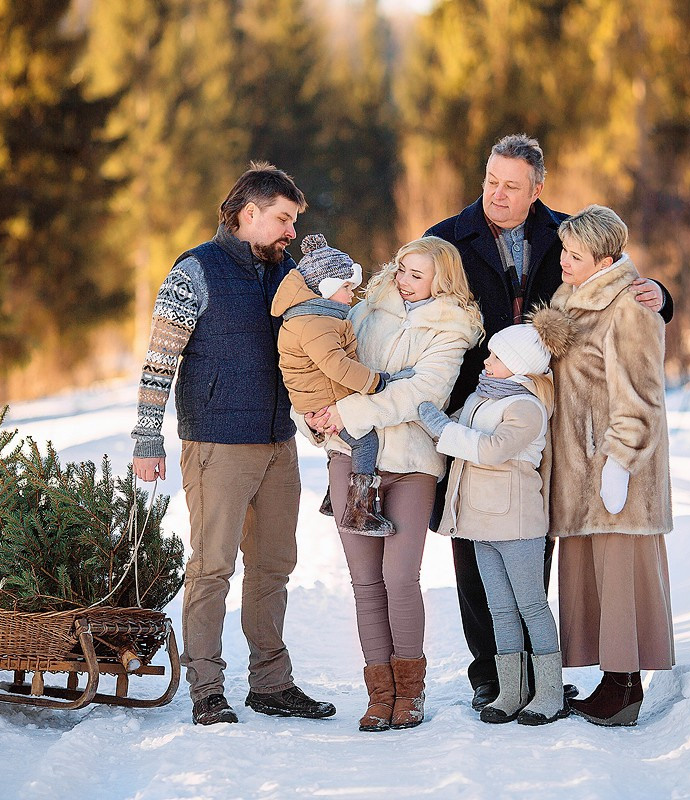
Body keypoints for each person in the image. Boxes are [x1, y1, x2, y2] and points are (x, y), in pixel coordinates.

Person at [425, 133, 675, 709]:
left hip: (542, 422)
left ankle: (540, 671)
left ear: (538, 190)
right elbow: (408, 293)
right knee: (473, 547)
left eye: (512, 186)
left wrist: (659, 294)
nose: (497, 194)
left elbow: (618, 293)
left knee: (530, 542)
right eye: (490, 181)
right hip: (472, 404)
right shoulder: (447, 239)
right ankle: (490, 671)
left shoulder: (567, 236)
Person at [130, 162, 336, 725]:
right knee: (212, 569)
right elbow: (158, 363)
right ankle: (207, 689)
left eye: (293, 221)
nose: (290, 230)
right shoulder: (194, 270)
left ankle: (271, 684)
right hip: (217, 443)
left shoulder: (284, 271)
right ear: (249, 213)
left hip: (278, 443)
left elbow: (311, 350)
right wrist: (147, 438)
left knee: (273, 568)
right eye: (283, 219)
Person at [305, 237, 483, 732]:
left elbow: (421, 393)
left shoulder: (452, 329)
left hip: (411, 462)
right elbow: (325, 370)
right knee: (365, 583)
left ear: (441, 281)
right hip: (350, 459)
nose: (403, 280)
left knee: (399, 579)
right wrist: (317, 419)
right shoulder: (366, 311)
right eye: (402, 269)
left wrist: (349, 411)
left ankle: (410, 691)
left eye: (417, 274)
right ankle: (379, 693)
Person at [416, 309, 576, 726]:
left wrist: (440, 428)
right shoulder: (481, 396)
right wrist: (437, 421)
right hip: (478, 521)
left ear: (519, 365)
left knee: (531, 606)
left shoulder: (527, 407)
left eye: (495, 357)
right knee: (499, 610)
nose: (486, 362)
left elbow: (489, 450)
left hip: (516, 522)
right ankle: (512, 690)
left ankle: (550, 692)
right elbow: (457, 430)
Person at [548, 204, 674, 726]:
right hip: (580, 468)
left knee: (621, 575)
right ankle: (608, 679)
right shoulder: (569, 301)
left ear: (605, 258)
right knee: (592, 578)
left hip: (614, 469)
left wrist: (618, 461)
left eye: (574, 255)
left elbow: (643, 395)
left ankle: (624, 688)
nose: (562, 261)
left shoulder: (630, 307)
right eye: (562, 251)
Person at [271, 233, 413, 537]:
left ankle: (333, 498)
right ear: (327, 288)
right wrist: (373, 382)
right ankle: (359, 510)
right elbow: (336, 365)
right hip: (322, 398)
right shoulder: (316, 323)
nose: (352, 293)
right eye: (347, 287)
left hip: (316, 396)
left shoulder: (315, 317)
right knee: (364, 441)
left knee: (341, 441)